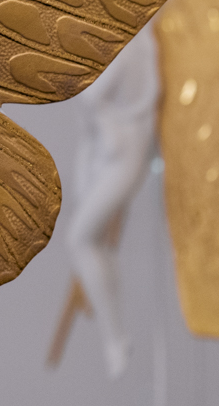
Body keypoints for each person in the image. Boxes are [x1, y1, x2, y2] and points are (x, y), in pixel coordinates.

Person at [63, 24, 158, 378]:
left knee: (81, 239)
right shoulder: (129, 42)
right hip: (108, 153)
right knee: (92, 242)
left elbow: (89, 95)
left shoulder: (129, 45)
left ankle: (114, 338)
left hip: (124, 156)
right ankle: (112, 327)